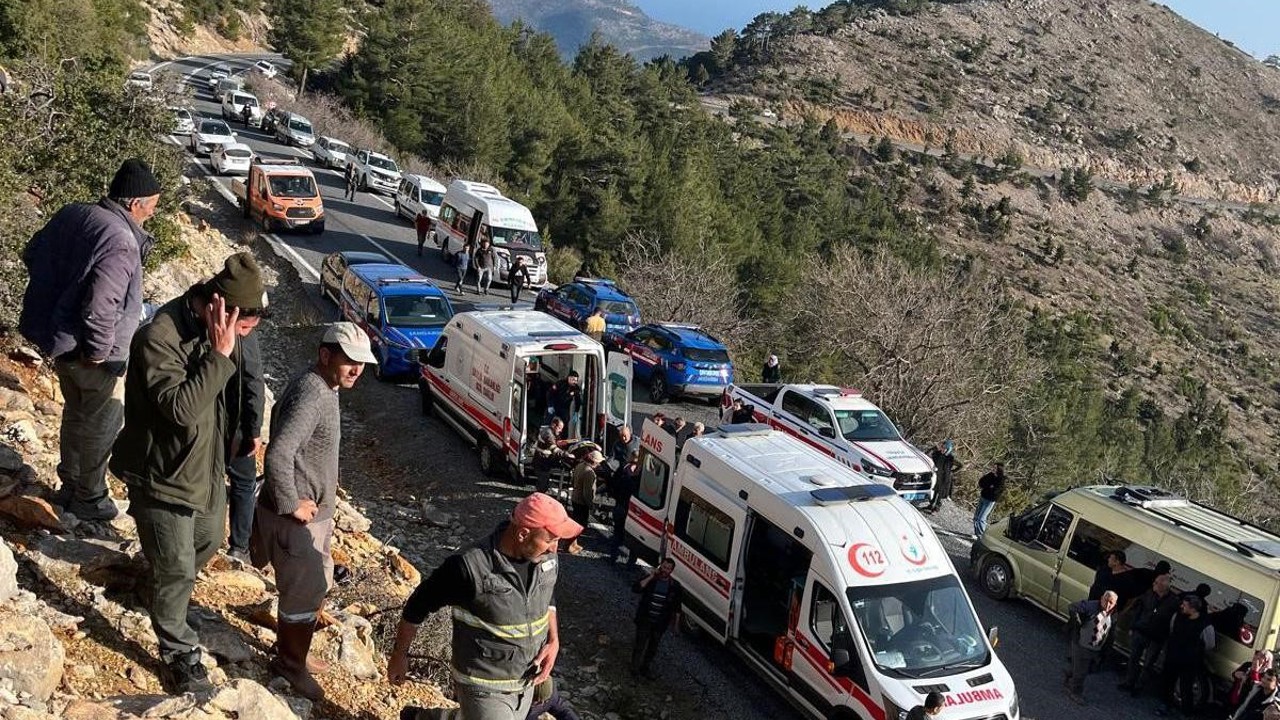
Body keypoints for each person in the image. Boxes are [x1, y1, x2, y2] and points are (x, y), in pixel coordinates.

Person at [109, 252, 266, 693]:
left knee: (207, 539)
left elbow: (241, 384)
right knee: (177, 566)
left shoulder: (220, 332)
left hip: (205, 467)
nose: (245, 339)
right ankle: (178, 650)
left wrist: (243, 432)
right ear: (218, 309)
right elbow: (179, 409)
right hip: (160, 472)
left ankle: (158, 590)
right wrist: (218, 355)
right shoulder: (159, 337)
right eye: (244, 329)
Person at [19, 159, 160, 521]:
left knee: (75, 414)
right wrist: (99, 352)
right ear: (134, 203)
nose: (152, 215)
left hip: (60, 340)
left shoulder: (73, 213)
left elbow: (32, 254)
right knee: (101, 422)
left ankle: (68, 486)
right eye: (151, 206)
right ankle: (90, 497)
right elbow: (101, 306)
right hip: (93, 353)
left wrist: (59, 301)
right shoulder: (121, 240)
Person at [251, 322, 376, 702]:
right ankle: (290, 664)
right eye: (350, 361)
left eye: (362, 363)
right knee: (303, 593)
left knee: (313, 586)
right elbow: (279, 452)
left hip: (310, 513)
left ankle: (295, 654)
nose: (358, 370)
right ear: (326, 355)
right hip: (296, 517)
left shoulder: (321, 385)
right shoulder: (314, 395)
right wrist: (291, 504)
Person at [388, 493, 581, 720]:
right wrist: (400, 655)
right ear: (522, 534)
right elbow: (417, 606)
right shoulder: (468, 567)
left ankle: (422, 718)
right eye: (550, 540)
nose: (554, 549)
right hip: (483, 685)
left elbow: (546, 593)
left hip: (525, 682)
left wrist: (553, 640)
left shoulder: (545, 560)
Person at [224, 331, 264, 564]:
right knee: (244, 482)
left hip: (205, 417)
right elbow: (253, 379)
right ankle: (239, 547)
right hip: (234, 422)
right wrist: (254, 429)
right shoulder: (243, 333)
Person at [1119, 570, 1180, 695]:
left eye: (1156, 583)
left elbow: (1173, 621)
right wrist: (1133, 627)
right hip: (1141, 630)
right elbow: (1139, 610)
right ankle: (1128, 682)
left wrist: (1166, 637)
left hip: (1156, 637)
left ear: (1164, 586)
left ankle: (1139, 686)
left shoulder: (1174, 602)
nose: (1154, 584)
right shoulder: (1149, 594)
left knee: (1148, 664)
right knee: (1133, 658)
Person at [1158, 595, 1216, 717]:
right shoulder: (1178, 616)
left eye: (1185, 605)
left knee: (1186, 687)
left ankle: (1186, 712)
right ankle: (1165, 705)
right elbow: (1172, 629)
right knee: (1167, 682)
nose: (1181, 607)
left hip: (1189, 662)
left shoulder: (1205, 625)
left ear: (1193, 609)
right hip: (1173, 656)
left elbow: (1209, 644)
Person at [631, 559, 683, 678]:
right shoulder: (652, 580)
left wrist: (676, 625)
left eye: (668, 568)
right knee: (640, 645)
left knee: (652, 648)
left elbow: (677, 607)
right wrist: (651, 576)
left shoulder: (675, 586)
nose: (665, 570)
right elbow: (636, 588)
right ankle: (634, 669)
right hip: (645, 618)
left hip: (660, 623)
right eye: (664, 567)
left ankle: (645, 668)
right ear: (660, 567)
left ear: (671, 570)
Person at [1064, 591, 1118, 705]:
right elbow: (1072, 607)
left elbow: (1110, 633)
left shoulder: (1113, 614)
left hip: (1096, 647)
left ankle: (1069, 675)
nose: (1108, 605)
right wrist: (1078, 622)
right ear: (1101, 598)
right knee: (1081, 671)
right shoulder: (1091, 606)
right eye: (1106, 601)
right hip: (1081, 643)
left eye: (1111, 603)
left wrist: (1106, 650)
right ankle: (1075, 692)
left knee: (1085, 667)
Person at [567, 450, 604, 555]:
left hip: (575, 498)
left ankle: (574, 544)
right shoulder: (589, 473)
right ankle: (569, 545)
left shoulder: (580, 465)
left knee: (575, 521)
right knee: (579, 525)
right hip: (582, 502)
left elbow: (573, 481)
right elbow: (587, 492)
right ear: (595, 462)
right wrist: (591, 505)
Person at [607, 451, 641, 564]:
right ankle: (631, 562)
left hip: (621, 505)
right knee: (634, 537)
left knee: (617, 533)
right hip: (635, 510)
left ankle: (613, 557)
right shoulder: (642, 475)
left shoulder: (622, 469)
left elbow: (613, 484)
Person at [531, 418, 568, 493]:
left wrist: (559, 443)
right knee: (543, 485)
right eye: (559, 428)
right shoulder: (549, 434)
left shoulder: (548, 431)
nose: (561, 431)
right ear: (554, 425)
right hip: (542, 463)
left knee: (544, 482)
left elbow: (552, 443)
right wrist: (566, 454)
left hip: (542, 461)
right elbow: (554, 449)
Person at [926, 440, 962, 513]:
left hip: (945, 478)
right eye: (942, 447)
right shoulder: (938, 454)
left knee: (940, 493)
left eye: (944, 448)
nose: (942, 449)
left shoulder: (950, 458)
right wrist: (934, 448)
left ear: (948, 449)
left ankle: (936, 508)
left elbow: (960, 465)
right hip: (938, 475)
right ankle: (931, 505)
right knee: (935, 491)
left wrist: (952, 472)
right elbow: (927, 454)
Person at [972, 462, 1006, 538]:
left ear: (999, 469)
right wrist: (989, 486)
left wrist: (989, 486)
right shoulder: (990, 475)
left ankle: (982, 536)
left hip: (990, 500)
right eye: (993, 467)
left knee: (981, 518)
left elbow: (996, 490)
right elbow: (981, 482)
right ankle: (977, 533)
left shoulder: (1001, 479)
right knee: (976, 517)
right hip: (983, 497)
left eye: (995, 468)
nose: (992, 469)